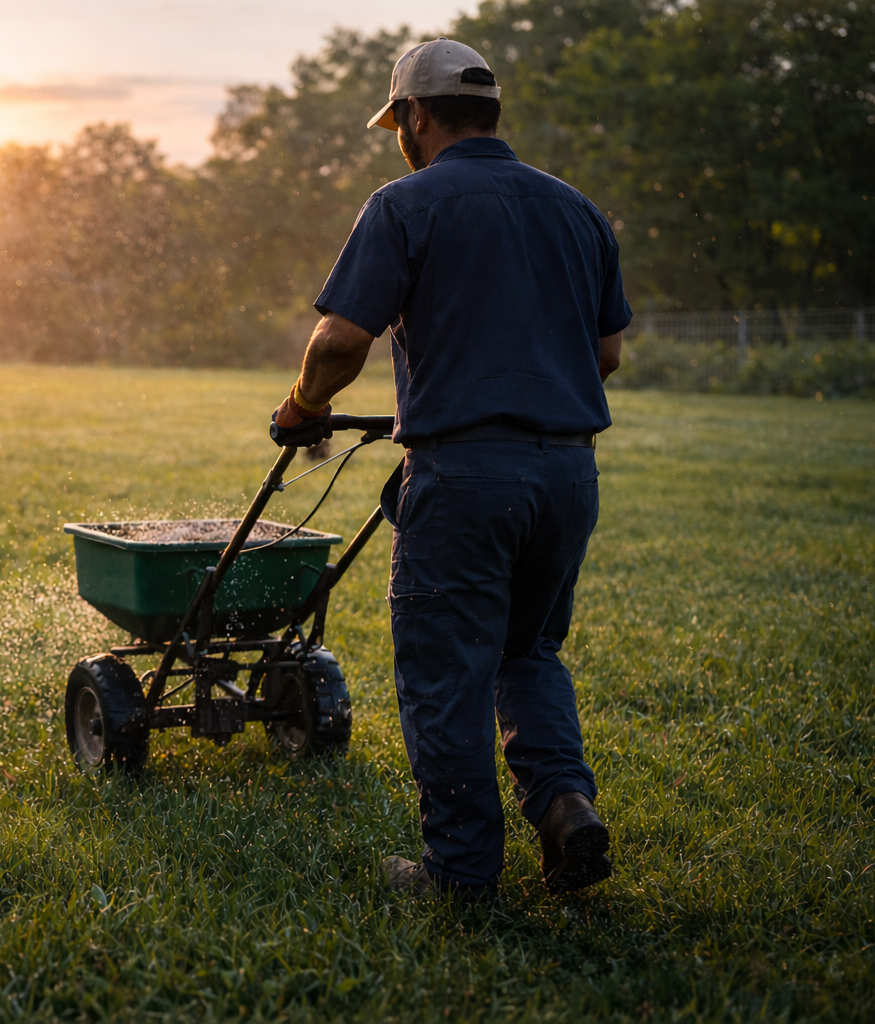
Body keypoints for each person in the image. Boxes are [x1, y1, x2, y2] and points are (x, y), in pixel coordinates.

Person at [271, 38, 631, 900]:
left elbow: (342, 338)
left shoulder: (405, 204)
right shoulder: (577, 210)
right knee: (529, 651)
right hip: (566, 477)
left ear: (415, 117)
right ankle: (565, 807)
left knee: (446, 668)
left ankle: (460, 874)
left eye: (399, 120)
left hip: (466, 474)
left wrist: (304, 408)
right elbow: (608, 351)